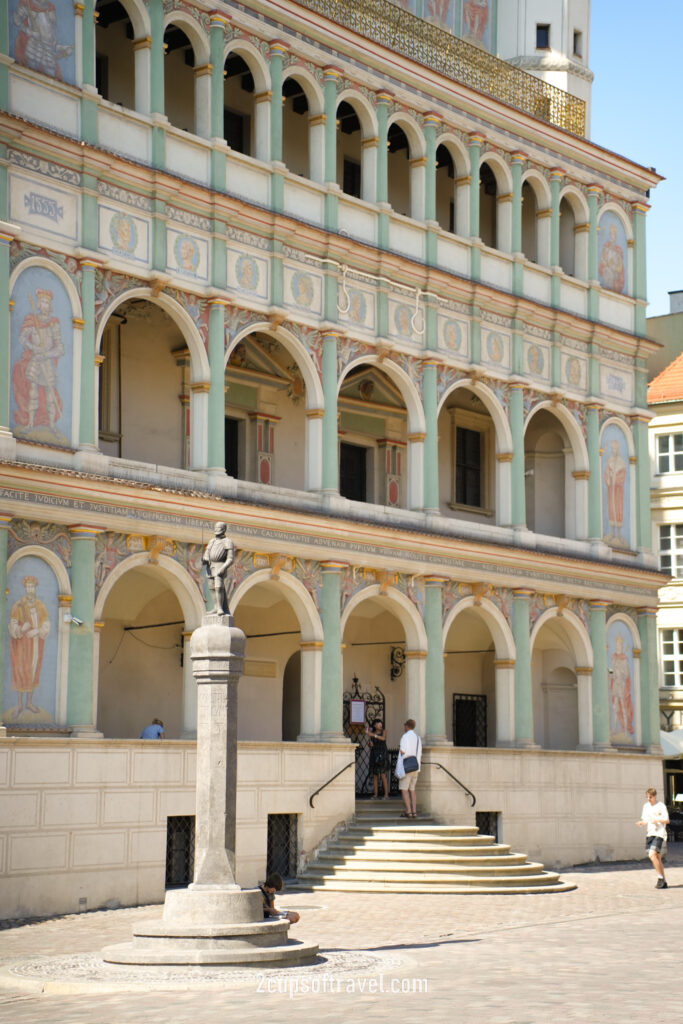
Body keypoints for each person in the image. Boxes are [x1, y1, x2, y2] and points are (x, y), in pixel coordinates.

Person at [8, 575, 51, 719]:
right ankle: (20, 704)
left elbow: (46, 624)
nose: (30, 589)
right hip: (22, 646)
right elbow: (12, 626)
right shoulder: (18, 605)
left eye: (32, 586)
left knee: (33, 670)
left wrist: (38, 631)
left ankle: (29, 702)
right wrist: (21, 629)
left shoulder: (40, 606)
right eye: (28, 586)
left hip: (36, 643)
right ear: (25, 588)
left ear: (35, 588)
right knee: (21, 671)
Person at [636, 787, 669, 889]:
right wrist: (642, 823)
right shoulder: (646, 806)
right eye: (647, 797)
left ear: (655, 796)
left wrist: (657, 820)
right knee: (657, 858)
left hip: (659, 833)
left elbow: (667, 820)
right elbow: (645, 819)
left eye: (650, 797)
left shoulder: (661, 806)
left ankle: (659, 877)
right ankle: (663, 881)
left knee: (652, 854)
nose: (649, 799)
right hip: (650, 833)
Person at [202, 522, 235, 616]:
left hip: (220, 565)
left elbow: (230, 558)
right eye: (216, 528)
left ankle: (220, 608)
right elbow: (207, 552)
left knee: (218, 586)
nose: (217, 530)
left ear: (224, 529)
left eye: (219, 528)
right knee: (211, 587)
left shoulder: (228, 541)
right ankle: (216, 607)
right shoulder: (212, 541)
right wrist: (205, 558)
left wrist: (224, 567)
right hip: (210, 566)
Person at [398, 718, 422, 819]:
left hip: (407, 766)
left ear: (407, 726)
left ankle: (408, 811)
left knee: (404, 789)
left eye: (405, 725)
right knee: (412, 790)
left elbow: (403, 751)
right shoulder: (417, 737)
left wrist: (400, 749)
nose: (404, 727)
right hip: (415, 766)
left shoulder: (405, 736)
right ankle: (414, 812)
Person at [366, 719, 389, 799]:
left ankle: (386, 795)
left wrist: (373, 735)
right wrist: (370, 744)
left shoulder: (384, 731)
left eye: (381, 723)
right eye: (378, 724)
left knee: (383, 774)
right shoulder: (372, 734)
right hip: (374, 754)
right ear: (375, 725)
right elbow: (371, 744)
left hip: (382, 754)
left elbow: (383, 738)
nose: (380, 725)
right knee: (375, 775)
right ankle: (375, 794)